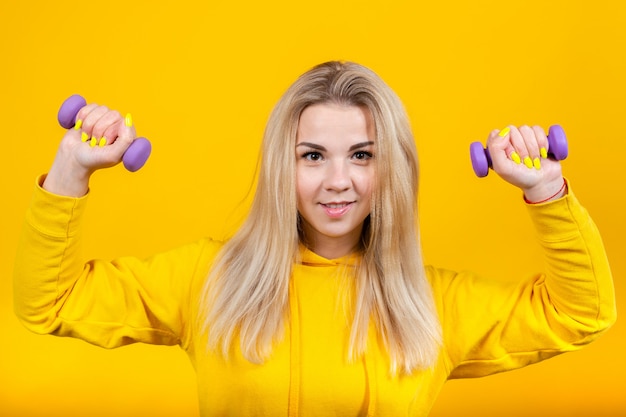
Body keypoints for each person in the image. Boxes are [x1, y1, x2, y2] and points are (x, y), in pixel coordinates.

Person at [14, 61, 616, 416]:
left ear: (392, 170)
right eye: (311, 155)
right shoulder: (208, 279)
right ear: (284, 164)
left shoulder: (432, 306)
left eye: (361, 155)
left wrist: (546, 189)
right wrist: (72, 170)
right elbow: (47, 302)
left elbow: (584, 314)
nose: (337, 181)